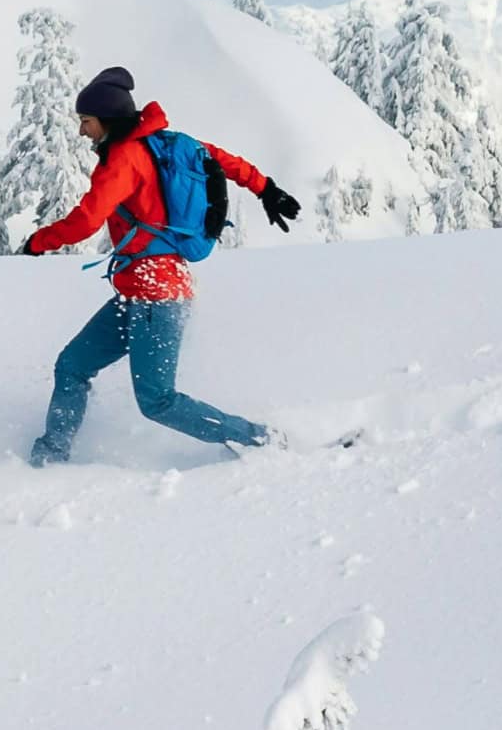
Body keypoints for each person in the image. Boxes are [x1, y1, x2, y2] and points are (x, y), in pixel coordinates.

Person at [22, 66, 300, 465]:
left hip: (157, 294)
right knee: (72, 366)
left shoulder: (124, 159)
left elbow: (86, 220)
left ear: (107, 119)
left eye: (86, 121)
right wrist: (266, 188)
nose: (82, 131)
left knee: (157, 400)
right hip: (139, 291)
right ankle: (50, 456)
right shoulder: (164, 144)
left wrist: (38, 241)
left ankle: (262, 442)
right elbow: (225, 161)